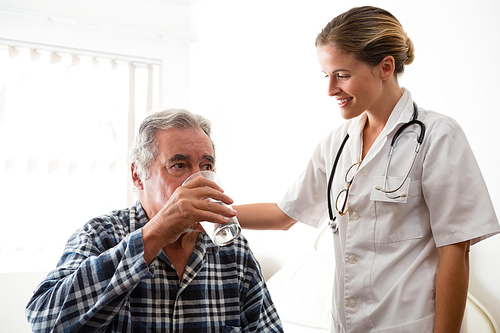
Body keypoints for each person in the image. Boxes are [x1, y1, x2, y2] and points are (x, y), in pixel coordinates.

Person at [234, 6, 500, 333]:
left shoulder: (438, 136)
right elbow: (283, 214)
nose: (330, 89)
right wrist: (203, 213)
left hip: (407, 325)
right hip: (345, 325)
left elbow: (455, 251)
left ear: (385, 66)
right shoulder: (337, 143)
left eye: (342, 75)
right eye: (326, 75)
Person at [26, 109, 283, 332]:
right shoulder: (100, 235)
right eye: (179, 165)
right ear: (138, 175)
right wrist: (155, 233)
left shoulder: (233, 250)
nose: (200, 181)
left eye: (206, 166)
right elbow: (44, 321)